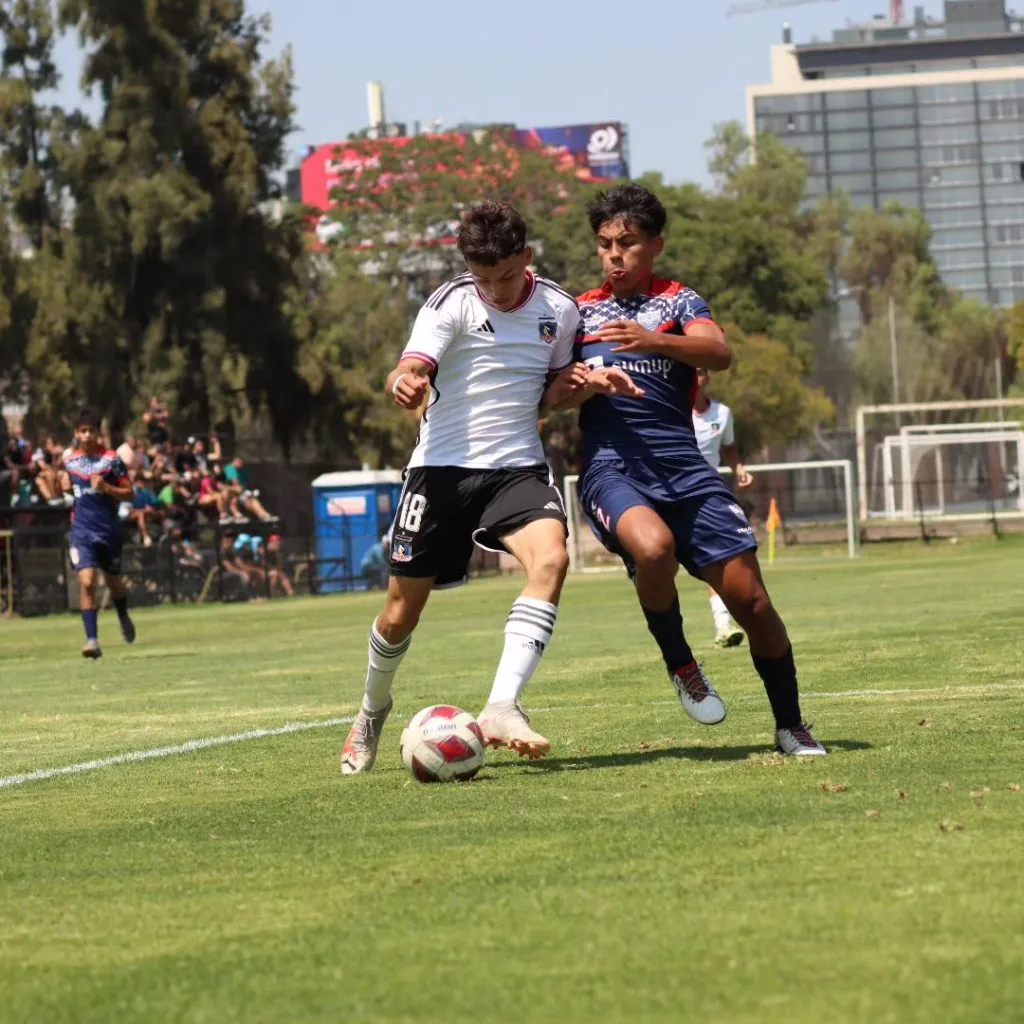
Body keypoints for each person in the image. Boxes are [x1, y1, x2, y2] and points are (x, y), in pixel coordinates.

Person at [339, 199, 636, 776]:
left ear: (526, 257)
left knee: (552, 558)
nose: (495, 291)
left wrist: (581, 384)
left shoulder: (560, 310)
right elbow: (408, 368)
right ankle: (373, 708)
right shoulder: (450, 302)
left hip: (516, 469)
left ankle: (501, 705)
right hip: (440, 471)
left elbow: (553, 399)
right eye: (484, 279)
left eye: (504, 276)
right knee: (401, 613)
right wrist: (404, 382)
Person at [564, 183, 826, 756]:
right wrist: (582, 384)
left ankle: (791, 724)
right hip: (614, 467)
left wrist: (653, 339)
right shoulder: (575, 312)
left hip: (686, 468)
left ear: (655, 245)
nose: (613, 254)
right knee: (653, 548)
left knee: (753, 604)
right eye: (605, 243)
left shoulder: (681, 302)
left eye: (627, 243)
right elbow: (548, 397)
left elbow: (719, 354)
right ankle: (681, 662)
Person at [63, 409, 136, 658]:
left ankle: (122, 613)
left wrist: (107, 488)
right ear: (76, 434)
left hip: (108, 531)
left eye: (90, 431)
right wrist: (61, 487)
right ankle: (92, 640)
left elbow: (130, 493)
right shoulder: (70, 462)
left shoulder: (112, 460)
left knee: (114, 584)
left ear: (97, 433)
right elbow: (68, 490)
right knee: (87, 582)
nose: (86, 436)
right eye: (82, 431)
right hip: (81, 531)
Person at [691, 368, 753, 648]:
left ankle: (723, 625)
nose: (696, 376)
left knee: (718, 560)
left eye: (701, 372)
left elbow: (729, 448)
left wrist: (739, 469)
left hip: (710, 496)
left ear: (707, 378)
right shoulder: (670, 412)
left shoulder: (722, 413)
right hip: (672, 494)